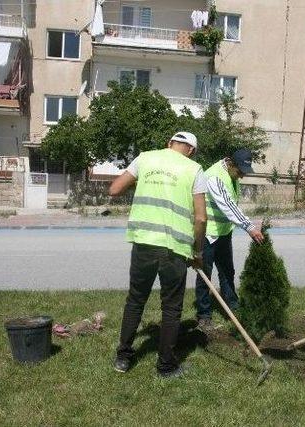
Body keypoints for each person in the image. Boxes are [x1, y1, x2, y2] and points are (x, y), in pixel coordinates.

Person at [108, 132, 207, 378]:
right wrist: (198, 252)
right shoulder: (195, 170)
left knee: (135, 300)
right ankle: (165, 367)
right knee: (171, 308)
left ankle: (123, 358)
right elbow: (201, 217)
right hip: (175, 249)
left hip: (144, 243)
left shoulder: (145, 159)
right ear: (191, 150)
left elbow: (115, 189)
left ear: (169, 144)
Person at [195, 149, 264, 332]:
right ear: (231, 163)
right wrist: (249, 227)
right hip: (208, 234)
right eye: (240, 171)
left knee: (227, 271)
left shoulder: (231, 175)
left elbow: (232, 203)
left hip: (224, 232)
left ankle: (233, 308)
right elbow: (228, 206)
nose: (241, 176)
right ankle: (204, 316)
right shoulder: (214, 177)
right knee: (205, 275)